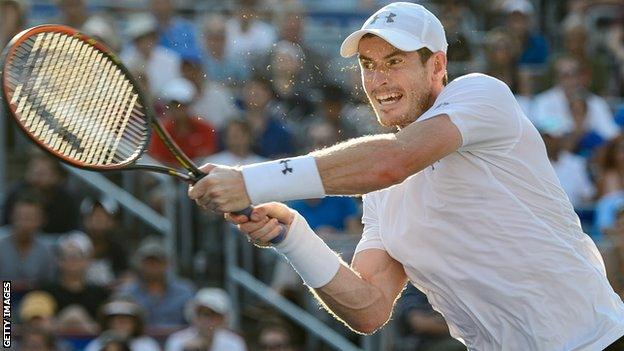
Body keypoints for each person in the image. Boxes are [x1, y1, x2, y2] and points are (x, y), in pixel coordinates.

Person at [188, 2, 624, 349]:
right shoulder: (380, 195)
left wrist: (249, 181)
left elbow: (392, 160)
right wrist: (292, 236)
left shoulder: (482, 95)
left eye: (394, 61)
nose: (378, 79)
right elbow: (369, 309)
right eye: (368, 64)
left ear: (436, 66)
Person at [116, 236, 194, 327]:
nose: (152, 266)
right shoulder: (126, 292)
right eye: (148, 262)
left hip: (179, 339)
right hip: (140, 340)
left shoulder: (185, 291)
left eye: (157, 261)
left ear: (167, 264)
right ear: (138, 264)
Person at [148, 77, 218, 166]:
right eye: (173, 105)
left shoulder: (206, 128)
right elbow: (158, 159)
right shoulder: (160, 131)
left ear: (189, 106)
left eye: (181, 105)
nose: (178, 110)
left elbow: (207, 157)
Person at [0, 194, 55, 290]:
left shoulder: (46, 249)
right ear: (12, 217)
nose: (24, 223)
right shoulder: (1, 243)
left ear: (41, 220)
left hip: (33, 294)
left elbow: (49, 282)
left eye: (30, 218)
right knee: (4, 303)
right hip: (4, 291)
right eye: (21, 217)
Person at [164, 288, 247, 351]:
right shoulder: (177, 340)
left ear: (223, 319)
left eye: (213, 314)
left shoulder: (234, 343)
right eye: (201, 313)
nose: (206, 320)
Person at [85, 299, 160, 351]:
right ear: (108, 323)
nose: (121, 325)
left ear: (135, 323)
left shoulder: (146, 344)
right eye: (117, 320)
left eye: (126, 321)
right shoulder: (97, 344)